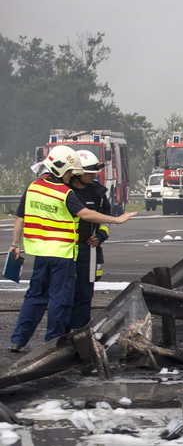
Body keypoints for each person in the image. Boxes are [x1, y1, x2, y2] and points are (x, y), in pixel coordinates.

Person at [9, 146, 137, 352]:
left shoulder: (35, 187)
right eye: (73, 172)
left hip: (47, 252)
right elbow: (86, 214)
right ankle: (53, 344)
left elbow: (19, 217)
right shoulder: (64, 192)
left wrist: (15, 245)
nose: (91, 176)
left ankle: (20, 340)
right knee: (61, 300)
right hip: (64, 253)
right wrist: (117, 219)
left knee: (40, 296)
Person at [68, 150, 112, 330]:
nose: (93, 176)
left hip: (88, 248)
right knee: (64, 292)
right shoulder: (64, 190)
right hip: (65, 248)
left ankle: (80, 331)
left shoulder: (97, 193)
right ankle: (62, 331)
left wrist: (100, 236)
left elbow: (105, 218)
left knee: (85, 292)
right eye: (89, 172)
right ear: (77, 172)